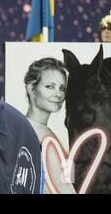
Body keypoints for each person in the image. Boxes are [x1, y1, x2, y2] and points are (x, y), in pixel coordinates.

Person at [24, 57, 76, 194]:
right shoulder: (22, 132)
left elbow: (68, 185)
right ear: (31, 88)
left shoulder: (50, 136)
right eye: (50, 86)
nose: (58, 94)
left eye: (62, 88)